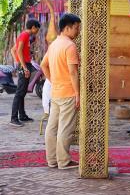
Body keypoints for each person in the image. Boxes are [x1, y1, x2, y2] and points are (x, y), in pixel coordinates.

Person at [40, 13, 81, 169]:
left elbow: (44, 65)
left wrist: (53, 80)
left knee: (52, 127)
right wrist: (78, 93)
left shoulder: (54, 44)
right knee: (65, 128)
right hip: (68, 93)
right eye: (76, 28)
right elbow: (73, 72)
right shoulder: (70, 46)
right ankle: (63, 161)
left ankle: (52, 160)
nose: (78, 31)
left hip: (56, 92)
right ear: (67, 28)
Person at [9, 19, 41, 127]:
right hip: (25, 66)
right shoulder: (25, 35)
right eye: (37, 28)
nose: (37, 31)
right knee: (19, 93)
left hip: (24, 65)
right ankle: (14, 118)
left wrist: (18, 62)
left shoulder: (25, 36)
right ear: (33, 27)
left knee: (22, 92)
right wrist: (23, 67)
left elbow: (13, 50)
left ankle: (22, 115)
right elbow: (18, 51)